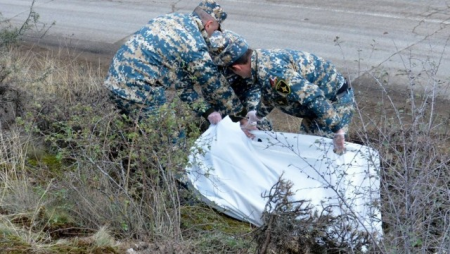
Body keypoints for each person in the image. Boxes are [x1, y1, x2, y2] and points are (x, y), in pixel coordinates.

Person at [210, 30, 356, 154]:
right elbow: (273, 94)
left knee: (326, 157)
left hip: (332, 107)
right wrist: (257, 116)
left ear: (237, 68)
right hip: (317, 110)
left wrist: (337, 130)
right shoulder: (259, 61)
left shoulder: (272, 73)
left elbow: (314, 97)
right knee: (307, 152)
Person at [104, 0, 247, 125]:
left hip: (113, 83)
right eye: (217, 29)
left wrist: (208, 111)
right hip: (139, 91)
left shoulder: (170, 19)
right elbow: (215, 85)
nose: (215, 34)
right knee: (172, 140)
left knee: (135, 130)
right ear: (209, 24)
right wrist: (240, 118)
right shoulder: (194, 44)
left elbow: (182, 86)